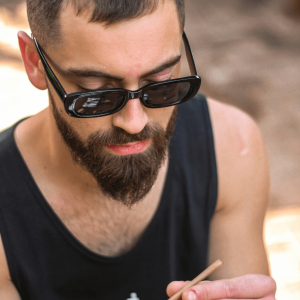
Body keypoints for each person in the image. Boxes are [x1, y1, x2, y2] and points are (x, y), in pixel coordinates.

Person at [0, 0, 276, 299]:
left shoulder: (230, 146)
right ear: (34, 62)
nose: (134, 122)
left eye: (159, 82)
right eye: (98, 92)